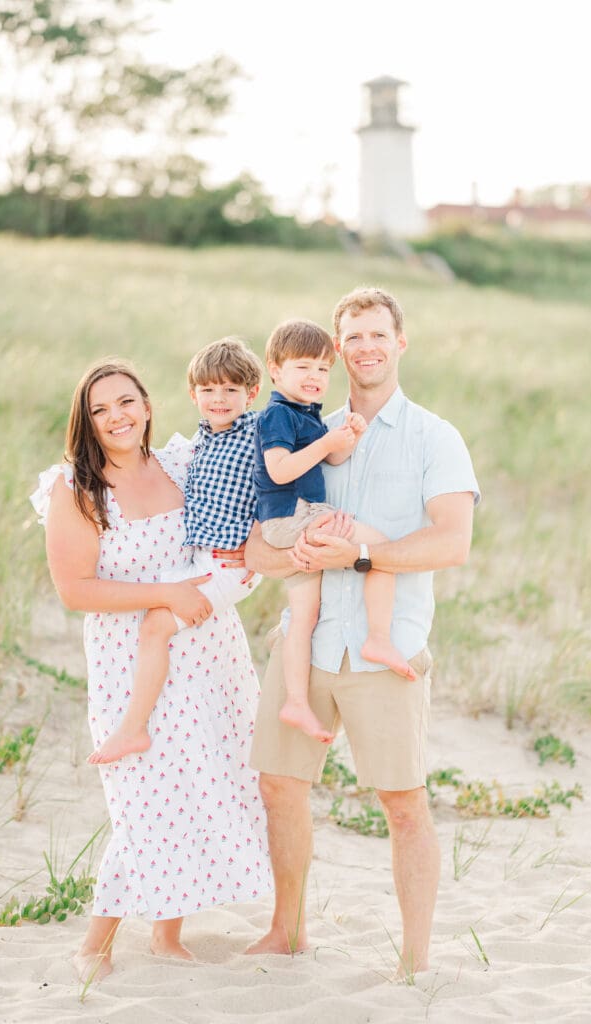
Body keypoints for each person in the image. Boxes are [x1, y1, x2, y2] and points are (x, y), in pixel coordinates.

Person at [243, 286, 480, 975]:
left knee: (403, 804)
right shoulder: (301, 428)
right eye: (353, 337)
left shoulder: (435, 437)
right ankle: (287, 932)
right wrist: (296, 556)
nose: (366, 348)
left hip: (387, 645)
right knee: (279, 784)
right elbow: (258, 545)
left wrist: (364, 556)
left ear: (399, 342)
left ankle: (414, 962)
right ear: (336, 347)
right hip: (306, 641)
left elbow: (451, 543)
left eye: (379, 334)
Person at [30, 358, 272, 978]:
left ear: (147, 404)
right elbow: (76, 590)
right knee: (145, 798)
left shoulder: (182, 463)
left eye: (126, 402)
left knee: (194, 787)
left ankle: (167, 935)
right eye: (101, 409)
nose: (117, 417)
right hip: (128, 656)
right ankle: (95, 944)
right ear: (85, 421)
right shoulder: (77, 489)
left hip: (208, 649)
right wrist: (165, 596)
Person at [86, 338, 264, 765]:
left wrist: (258, 541)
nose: (218, 399)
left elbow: (278, 484)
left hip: (224, 565)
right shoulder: (198, 444)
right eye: (208, 390)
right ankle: (133, 725)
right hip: (206, 564)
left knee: (155, 626)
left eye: (230, 390)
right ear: (192, 394)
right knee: (155, 609)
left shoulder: (256, 435)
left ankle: (132, 729)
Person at [253, 319, 416, 745]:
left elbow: (333, 462)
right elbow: (280, 469)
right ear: (275, 369)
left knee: (303, 617)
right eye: (303, 367)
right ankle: (379, 638)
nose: (315, 378)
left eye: (324, 370)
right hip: (293, 515)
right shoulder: (277, 415)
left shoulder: (305, 415)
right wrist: (327, 444)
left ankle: (295, 701)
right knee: (380, 546)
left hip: (294, 518)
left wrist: (347, 440)